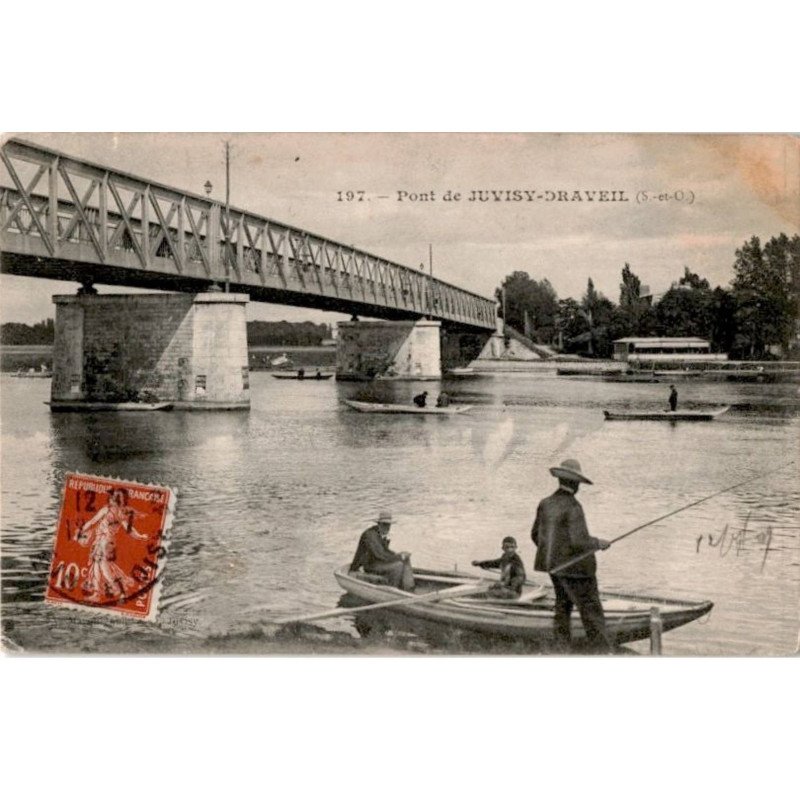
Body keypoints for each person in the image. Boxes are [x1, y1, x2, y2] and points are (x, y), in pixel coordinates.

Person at [531, 458, 612, 652]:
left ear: (560, 480)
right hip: (577, 571)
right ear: (576, 484)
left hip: (554, 569)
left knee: (562, 608)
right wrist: (598, 543)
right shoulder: (574, 507)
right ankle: (602, 653)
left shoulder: (545, 503)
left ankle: (561, 649)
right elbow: (579, 542)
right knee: (592, 613)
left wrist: (555, 554)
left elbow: (535, 535)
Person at [76, 487, 148, 602]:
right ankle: (97, 593)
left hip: (105, 542)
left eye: (114, 497)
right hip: (102, 541)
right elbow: (129, 530)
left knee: (103, 567)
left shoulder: (113, 511)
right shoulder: (117, 512)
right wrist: (81, 531)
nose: (111, 499)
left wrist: (140, 536)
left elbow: (93, 521)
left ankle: (120, 592)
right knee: (96, 566)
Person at [349, 511, 415, 591]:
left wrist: (400, 555)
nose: (387, 527)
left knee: (405, 560)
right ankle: (392, 590)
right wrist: (399, 556)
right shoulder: (370, 535)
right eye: (384, 524)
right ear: (379, 524)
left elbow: (385, 551)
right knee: (398, 566)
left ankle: (409, 588)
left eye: (388, 525)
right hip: (368, 565)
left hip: (378, 562)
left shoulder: (380, 534)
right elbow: (380, 555)